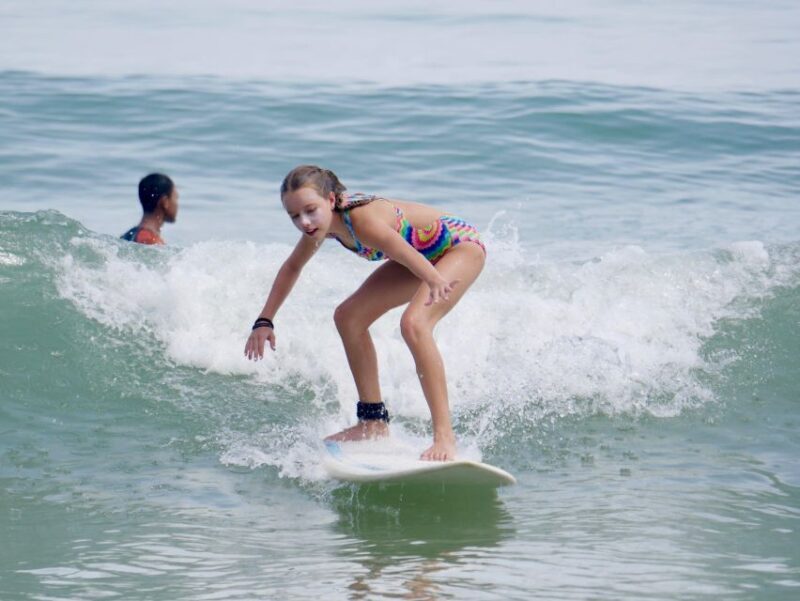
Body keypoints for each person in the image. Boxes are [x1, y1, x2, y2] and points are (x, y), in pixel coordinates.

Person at [244, 165, 486, 461]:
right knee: (349, 316)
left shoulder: (362, 220)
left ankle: (445, 438)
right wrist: (264, 320)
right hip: (420, 257)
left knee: (414, 324)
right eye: (294, 216)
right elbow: (292, 267)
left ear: (331, 200)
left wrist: (435, 280)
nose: (304, 222)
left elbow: (404, 251)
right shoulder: (319, 229)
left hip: (457, 247)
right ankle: (372, 423)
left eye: (310, 210)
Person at [121, 173, 179, 244]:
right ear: (165, 202)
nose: (177, 205)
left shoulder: (127, 235)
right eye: (176, 198)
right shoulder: (149, 239)